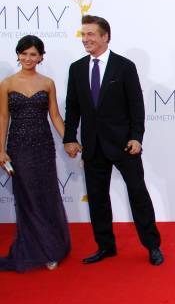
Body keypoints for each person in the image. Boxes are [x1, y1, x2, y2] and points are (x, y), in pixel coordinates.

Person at [63, 15, 163, 265]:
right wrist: (69, 137)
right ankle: (106, 246)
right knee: (97, 199)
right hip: (92, 145)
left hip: (124, 145)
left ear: (105, 36)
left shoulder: (124, 66)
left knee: (138, 195)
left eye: (90, 34)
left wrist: (136, 138)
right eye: (83, 35)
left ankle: (152, 246)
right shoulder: (76, 68)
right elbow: (73, 107)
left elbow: (136, 107)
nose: (85, 39)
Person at [0, 35, 71, 272]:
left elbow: (55, 116)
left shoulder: (48, 83)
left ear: (41, 57)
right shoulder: (7, 84)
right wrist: (0, 150)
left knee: (45, 197)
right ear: (18, 55)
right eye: (24, 53)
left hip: (43, 146)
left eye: (33, 54)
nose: (28, 58)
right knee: (27, 199)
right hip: (18, 148)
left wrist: (70, 140)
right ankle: (33, 249)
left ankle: (51, 249)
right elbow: (3, 118)